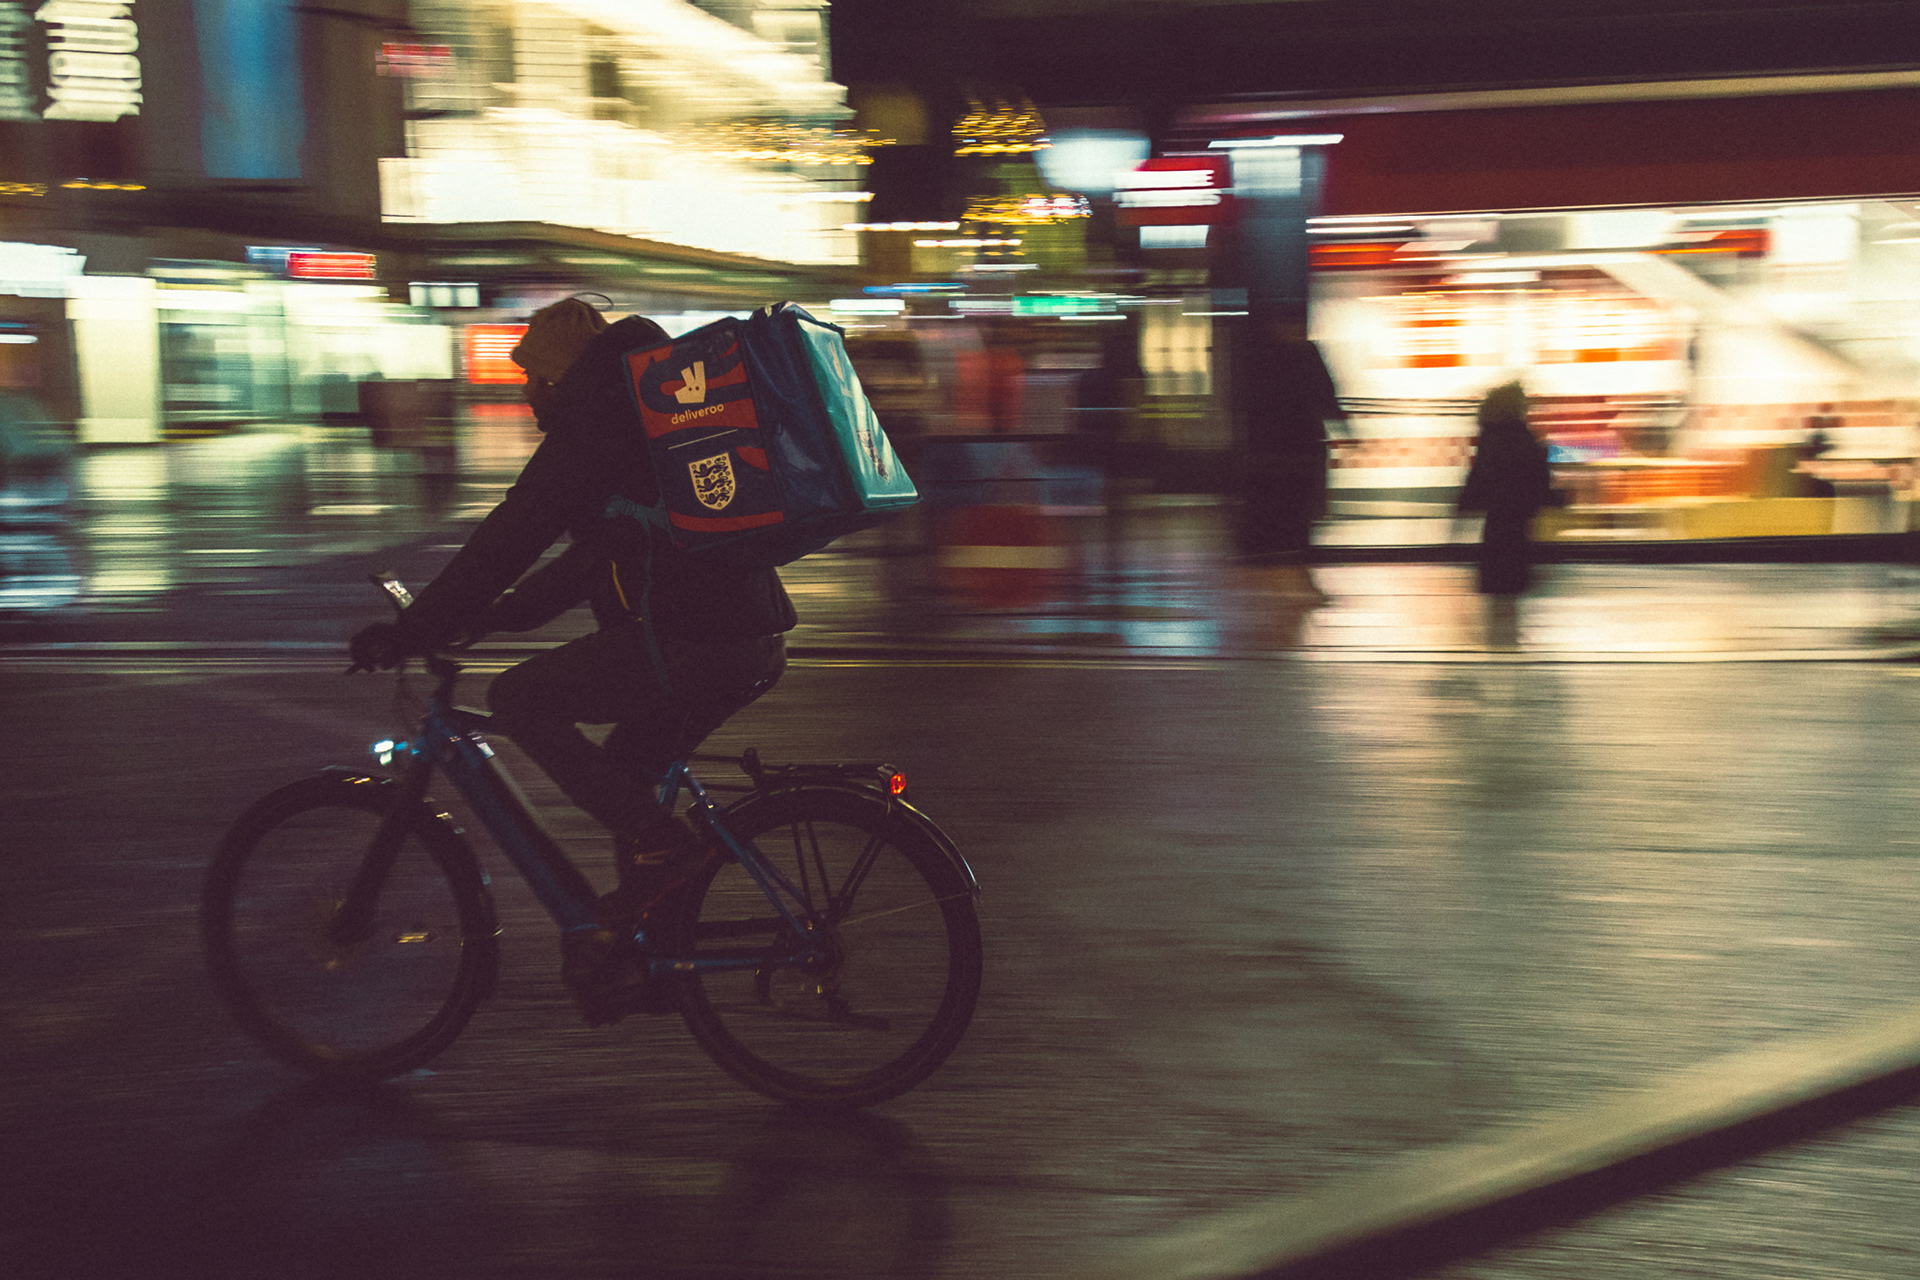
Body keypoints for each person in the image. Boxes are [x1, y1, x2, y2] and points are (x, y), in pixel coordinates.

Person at [349, 298, 796, 1019]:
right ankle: (652, 959)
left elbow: (516, 531)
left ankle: (664, 854)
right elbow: (598, 557)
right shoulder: (633, 411)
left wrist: (416, 628)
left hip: (692, 640)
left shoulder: (598, 417)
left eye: (530, 380)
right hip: (744, 638)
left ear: (559, 378)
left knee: (519, 700)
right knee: (628, 775)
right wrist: (496, 617)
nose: (525, 396)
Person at [1233, 306, 1347, 561]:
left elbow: (1252, 401)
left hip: (1276, 443)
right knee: (1298, 496)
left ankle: (1278, 543)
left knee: (1281, 495)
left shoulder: (1266, 357)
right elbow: (1325, 393)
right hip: (1299, 442)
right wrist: (1341, 425)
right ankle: (1295, 542)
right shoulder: (1307, 354)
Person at [1456, 381, 1554, 596]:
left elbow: (1482, 472)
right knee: (1511, 569)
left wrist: (1467, 499)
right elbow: (1531, 471)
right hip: (1515, 512)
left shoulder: (1491, 434)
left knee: (1498, 569)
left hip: (1498, 512)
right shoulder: (1518, 434)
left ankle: (1500, 614)